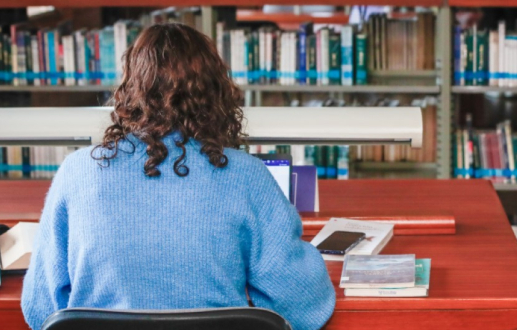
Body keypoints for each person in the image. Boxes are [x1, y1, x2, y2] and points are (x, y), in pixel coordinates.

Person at [21, 23, 335, 330]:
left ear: (130, 87)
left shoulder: (76, 172)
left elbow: (42, 309)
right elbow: (302, 305)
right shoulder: (247, 175)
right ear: (215, 91)